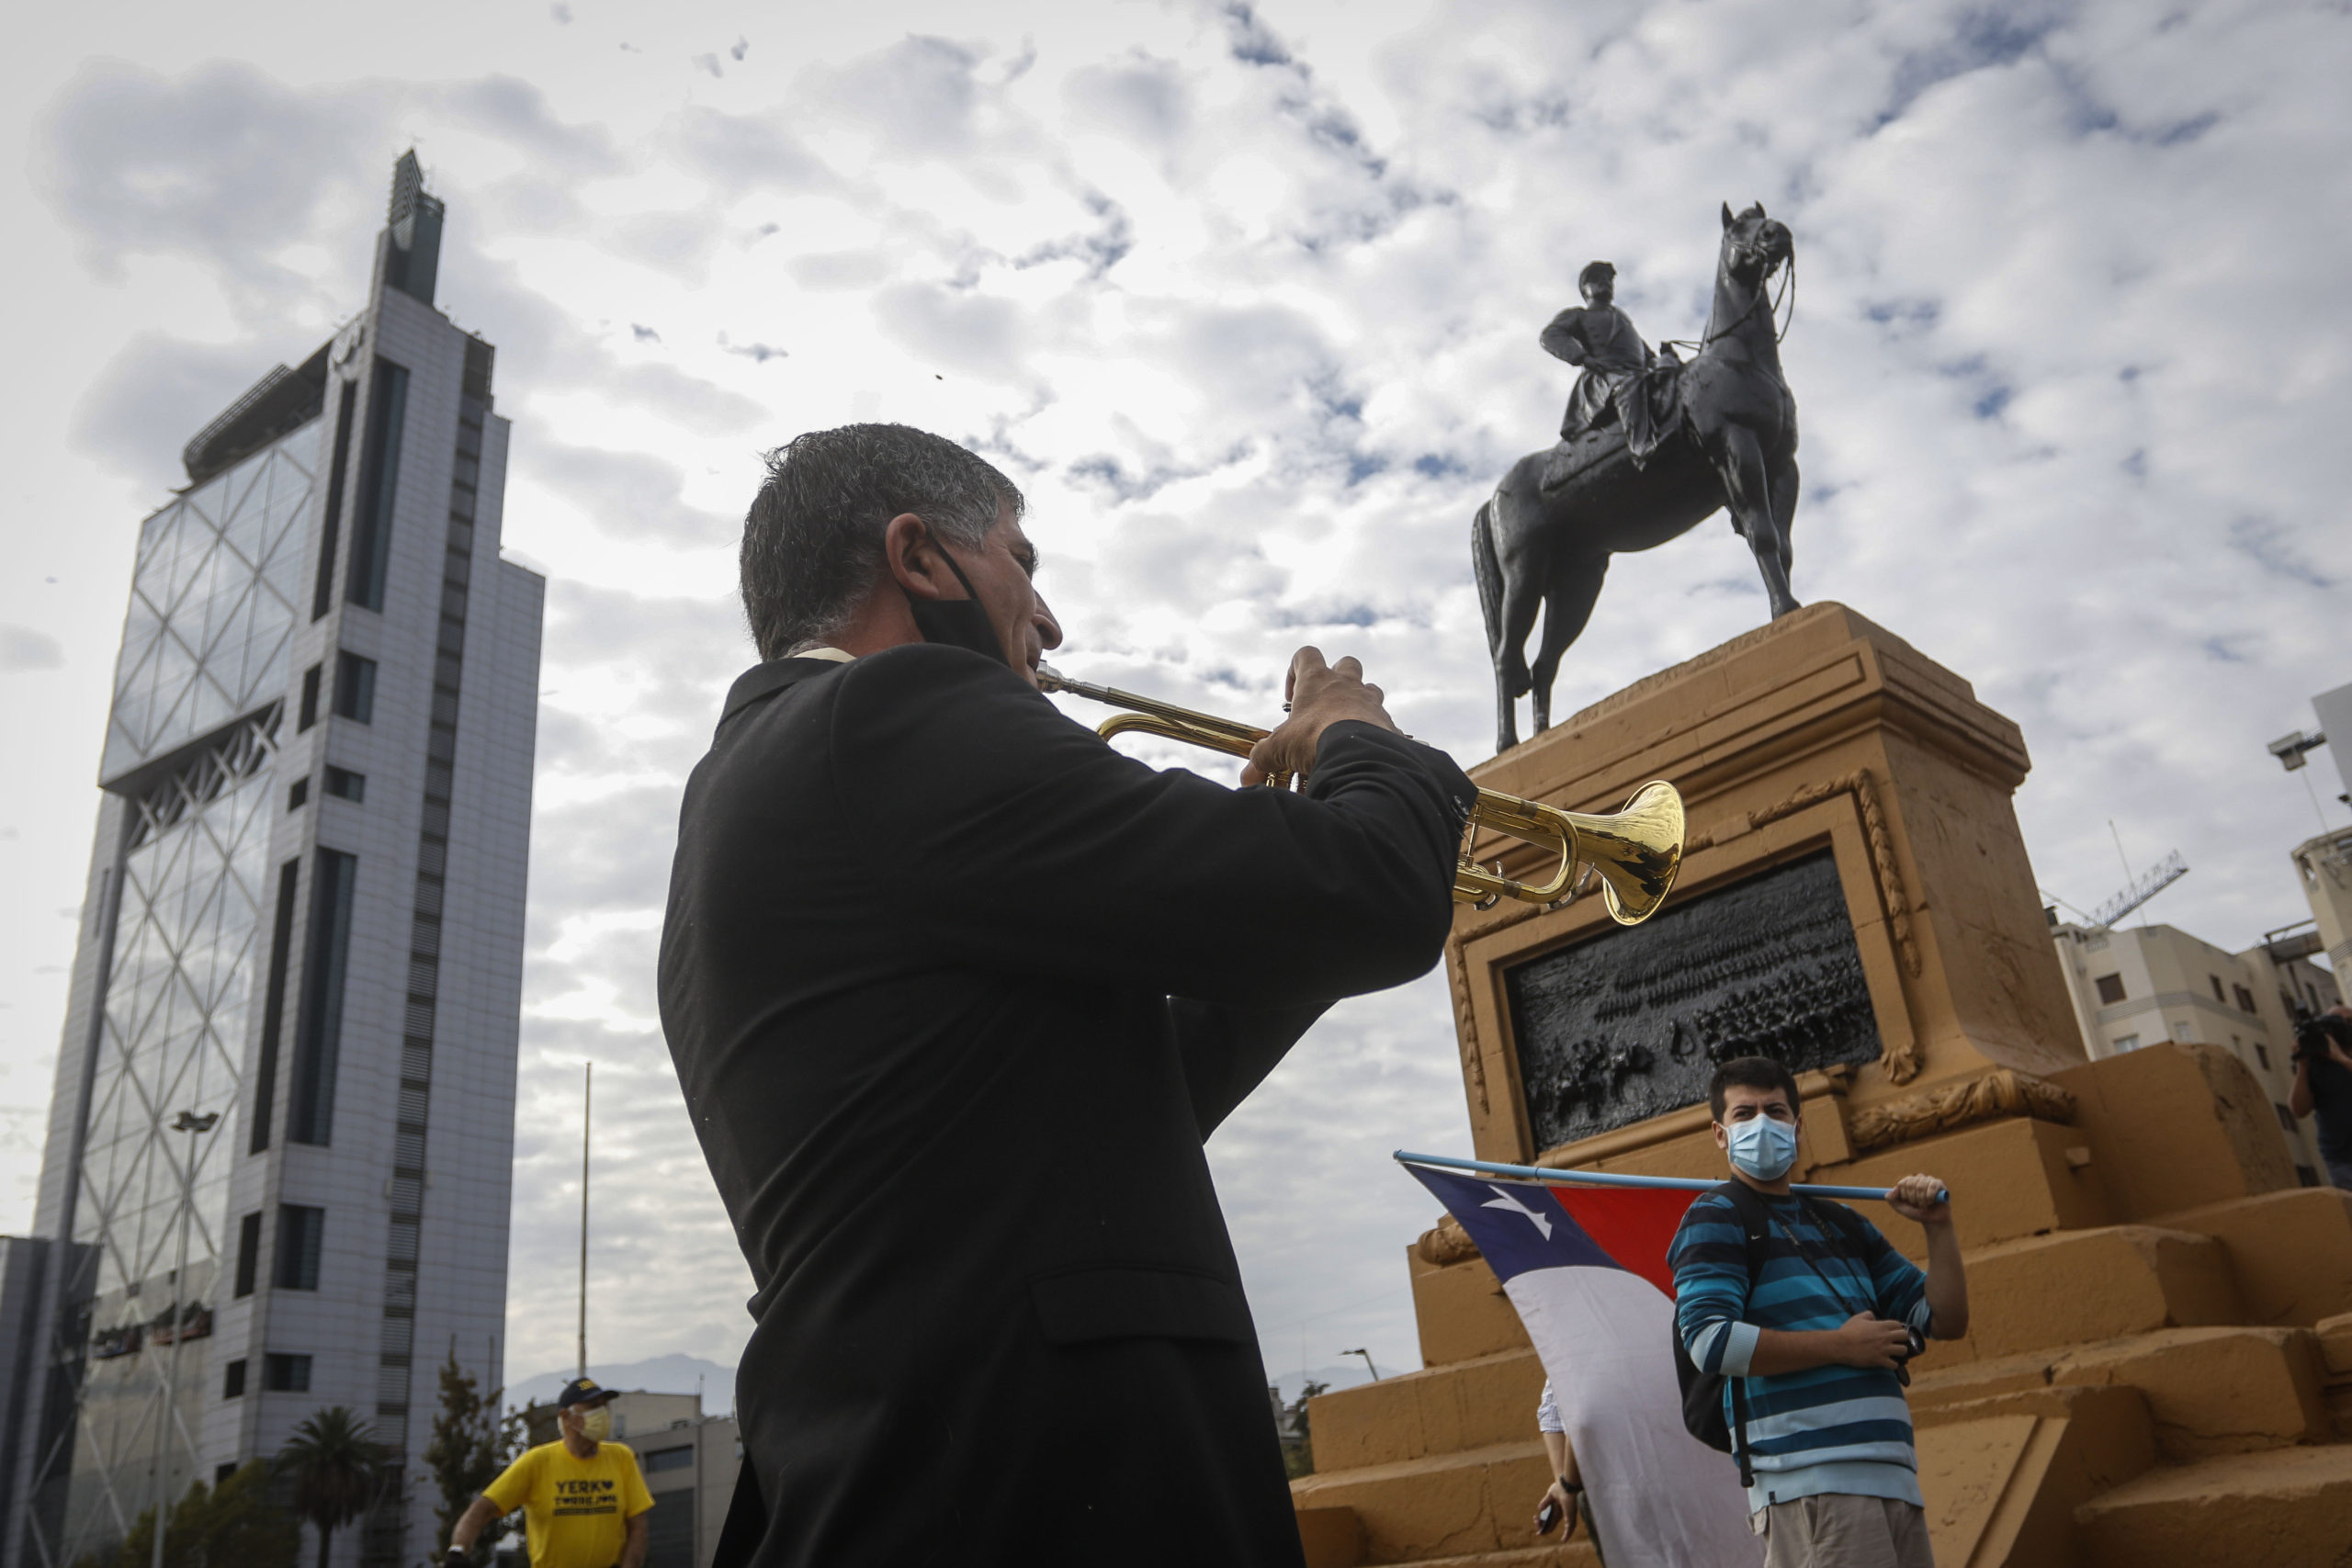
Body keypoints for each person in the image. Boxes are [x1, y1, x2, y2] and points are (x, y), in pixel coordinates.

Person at [657, 423, 1476, 1566]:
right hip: (1034, 1483)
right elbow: (1379, 892)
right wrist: (1359, 741)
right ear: (921, 558)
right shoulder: (889, 714)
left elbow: (1096, 1116)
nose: (1048, 622)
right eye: (1022, 562)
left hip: (930, 1477)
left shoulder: (744, 789)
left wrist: (1275, 924)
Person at [1668, 1058, 1968, 1568]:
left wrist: (1938, 1228)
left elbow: (1945, 1320)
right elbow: (1711, 1343)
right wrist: (1842, 1346)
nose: (1761, 1123)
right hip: (1811, 1487)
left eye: (1775, 1110)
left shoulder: (1843, 1222)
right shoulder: (1715, 1214)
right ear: (1721, 1135)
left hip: (1895, 1476)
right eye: (1745, 1114)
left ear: (1798, 1125)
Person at [446, 1377, 652, 1568]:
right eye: (593, 1407)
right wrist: (457, 1551)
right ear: (566, 1416)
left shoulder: (621, 1457)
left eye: (604, 1406)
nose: (602, 1414)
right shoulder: (537, 1462)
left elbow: (638, 1526)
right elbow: (483, 1508)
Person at [1540, 261, 1663, 463]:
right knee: (1629, 386)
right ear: (1584, 289)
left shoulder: (1622, 318)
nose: (1605, 282)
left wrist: (1663, 360)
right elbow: (1550, 335)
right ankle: (1642, 447)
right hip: (1605, 377)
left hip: (1636, 372)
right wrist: (1583, 358)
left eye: (1608, 280)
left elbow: (1645, 353)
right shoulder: (1578, 315)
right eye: (1597, 280)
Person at [1532, 1379, 1601, 1557]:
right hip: (1596, 1486)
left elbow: (1581, 1416)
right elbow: (1551, 1408)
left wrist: (1568, 1485)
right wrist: (1563, 1487)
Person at [2288, 1006, 2352, 1189]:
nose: (2345, 1027)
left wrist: (2342, 1059)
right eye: (2338, 1022)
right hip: (2341, 1161)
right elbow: (2298, 1110)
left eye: (2349, 1022)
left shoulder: (2340, 1058)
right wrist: (2302, 1065)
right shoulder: (2318, 1063)